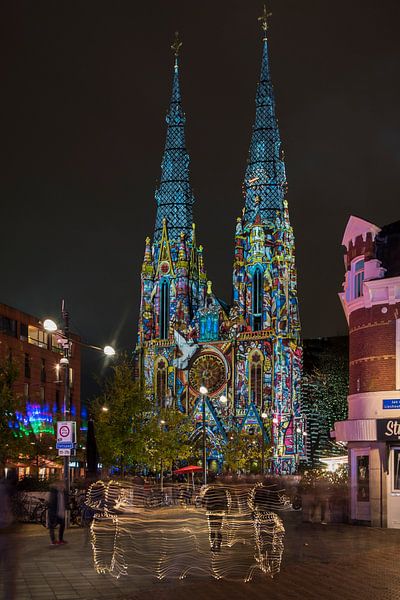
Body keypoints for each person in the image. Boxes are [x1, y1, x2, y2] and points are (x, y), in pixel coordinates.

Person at [0, 475, 20, 599]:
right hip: (7, 533)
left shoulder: (5, 488)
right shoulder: (5, 489)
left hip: (7, 533)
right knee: (9, 575)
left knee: (10, 575)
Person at [48, 480, 68, 546]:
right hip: (54, 512)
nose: (64, 486)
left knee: (62, 525)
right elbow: (52, 502)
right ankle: (53, 540)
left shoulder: (63, 492)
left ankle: (60, 539)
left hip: (61, 512)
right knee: (52, 526)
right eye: (62, 485)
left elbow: (64, 501)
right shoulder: (54, 492)